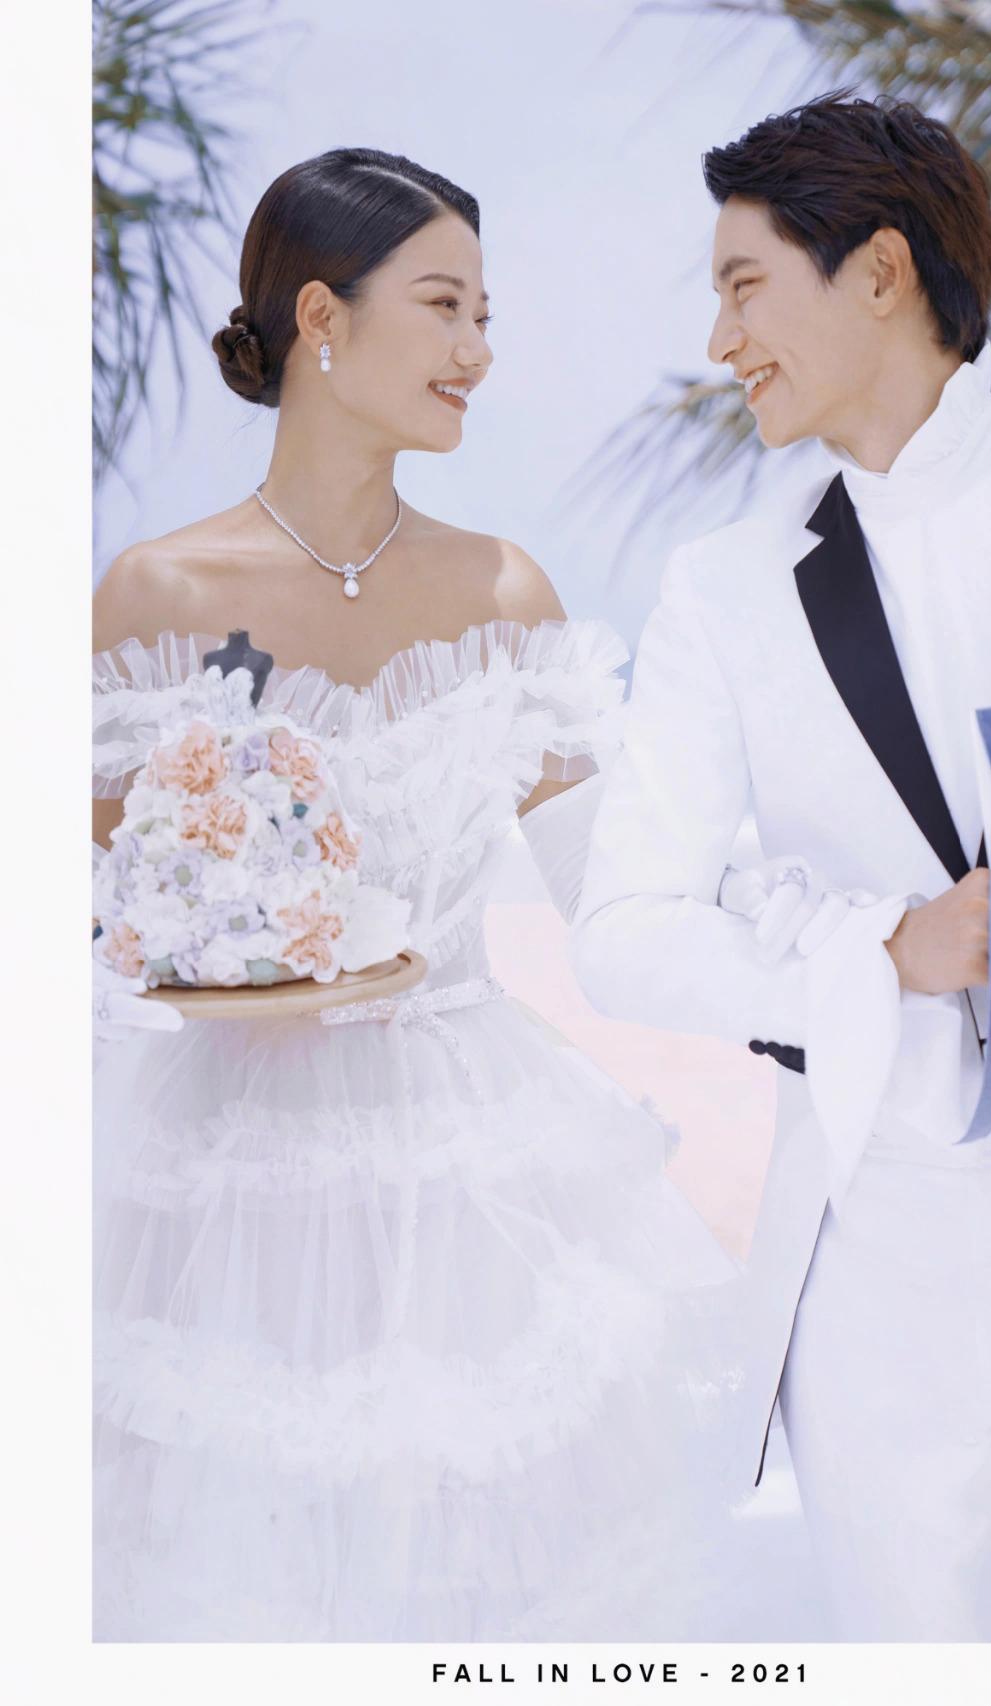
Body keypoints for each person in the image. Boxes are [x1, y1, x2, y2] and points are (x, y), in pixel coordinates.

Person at [92, 146, 768, 1642]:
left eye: (487, 314)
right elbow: (90, 913)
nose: (480, 350)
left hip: (474, 1178)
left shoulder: (505, 594)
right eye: (447, 306)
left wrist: (834, 949)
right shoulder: (153, 597)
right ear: (321, 318)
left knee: (490, 1588)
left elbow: (617, 886)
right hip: (217, 1179)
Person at [572, 93, 991, 1642]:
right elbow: (624, 929)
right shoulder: (722, 593)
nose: (721, 340)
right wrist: (881, 949)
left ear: (882, 272)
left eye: (743, 285)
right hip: (874, 1267)